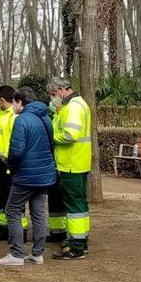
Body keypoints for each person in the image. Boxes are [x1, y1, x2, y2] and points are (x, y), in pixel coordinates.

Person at [0, 87, 56, 266]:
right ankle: (37, 253)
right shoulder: (45, 117)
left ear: (20, 102)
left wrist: (10, 166)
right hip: (44, 174)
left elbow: (17, 150)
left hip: (26, 175)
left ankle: (16, 254)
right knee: (38, 213)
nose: (13, 105)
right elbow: (50, 144)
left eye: (14, 102)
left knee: (12, 210)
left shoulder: (22, 120)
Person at [47, 77, 92, 260]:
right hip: (76, 162)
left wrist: (51, 137)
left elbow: (70, 135)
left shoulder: (73, 107)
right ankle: (80, 240)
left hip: (71, 163)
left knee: (75, 206)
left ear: (61, 90)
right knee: (79, 205)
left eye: (52, 94)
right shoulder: (75, 105)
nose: (52, 98)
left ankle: (77, 246)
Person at [0, 85, 22, 241]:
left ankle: (18, 229)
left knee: (12, 196)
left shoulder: (14, 116)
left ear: (2, 99)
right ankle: (1, 227)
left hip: (8, 162)